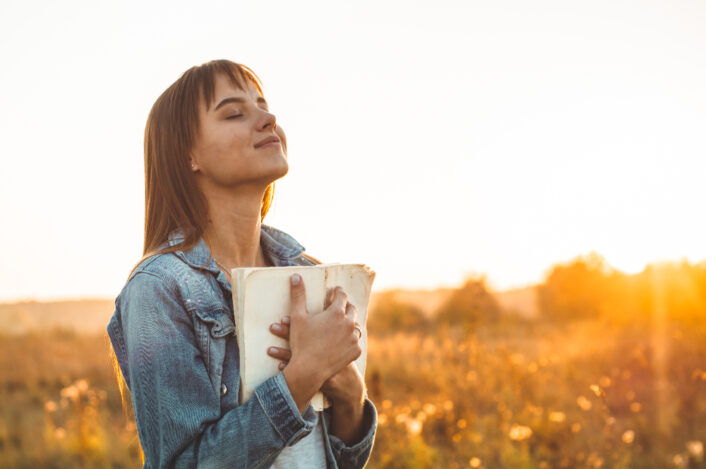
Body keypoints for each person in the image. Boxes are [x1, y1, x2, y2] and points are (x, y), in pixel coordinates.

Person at [106, 59, 377, 468]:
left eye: (264, 106)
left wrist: (352, 399)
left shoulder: (310, 270)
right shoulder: (160, 288)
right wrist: (302, 377)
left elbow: (336, 458)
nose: (268, 119)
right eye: (235, 113)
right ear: (188, 156)